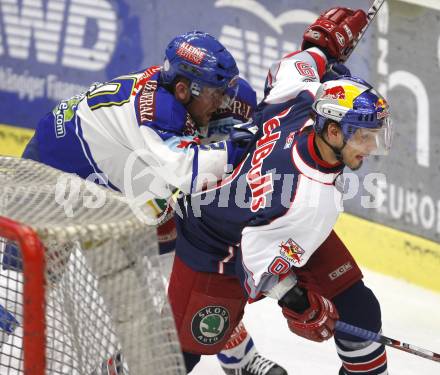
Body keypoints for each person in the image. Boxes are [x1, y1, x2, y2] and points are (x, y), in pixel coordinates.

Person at [0, 31, 286, 374]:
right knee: (18, 294)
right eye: (215, 93)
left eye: (224, 91)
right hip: (53, 183)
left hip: (124, 189)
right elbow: (186, 170)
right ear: (183, 90)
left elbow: (266, 116)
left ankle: (241, 359)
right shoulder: (156, 114)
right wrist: (239, 146)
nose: (223, 101)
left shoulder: (196, 95)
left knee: (193, 269)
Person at [167, 7, 392, 375]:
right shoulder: (309, 202)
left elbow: (293, 66)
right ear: (333, 132)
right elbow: (255, 266)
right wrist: (301, 304)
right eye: (364, 136)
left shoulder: (303, 102)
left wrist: (321, 47)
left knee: (360, 310)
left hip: (272, 221)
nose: (370, 148)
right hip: (214, 241)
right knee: (181, 355)